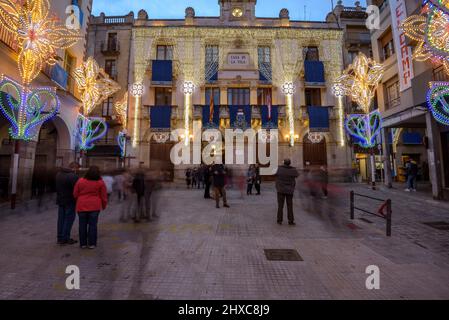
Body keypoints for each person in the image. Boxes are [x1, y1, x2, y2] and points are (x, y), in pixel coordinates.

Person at [73, 166, 108, 249]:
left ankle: (83, 244)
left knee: (82, 225)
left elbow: (75, 193)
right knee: (93, 225)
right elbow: (103, 196)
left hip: (81, 205)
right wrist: (103, 205)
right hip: (94, 206)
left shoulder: (80, 181)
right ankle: (92, 243)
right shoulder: (100, 182)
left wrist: (79, 199)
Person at [55, 162, 79, 245]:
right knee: (68, 219)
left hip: (60, 200)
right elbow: (77, 190)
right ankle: (65, 238)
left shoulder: (58, 174)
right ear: (75, 168)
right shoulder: (73, 176)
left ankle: (59, 237)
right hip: (70, 201)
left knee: (61, 219)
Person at [275, 159, 299, 225]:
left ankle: (279, 220)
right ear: (289, 163)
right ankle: (290, 220)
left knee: (280, 206)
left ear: (284, 163)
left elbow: (275, 174)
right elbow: (297, 175)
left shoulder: (279, 169)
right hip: (290, 190)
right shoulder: (293, 170)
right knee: (290, 206)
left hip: (280, 190)